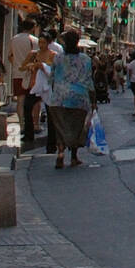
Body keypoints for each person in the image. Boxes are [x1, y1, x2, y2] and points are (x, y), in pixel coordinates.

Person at [48, 30, 96, 169]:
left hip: (59, 98)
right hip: (78, 99)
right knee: (76, 128)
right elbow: (89, 81)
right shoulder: (85, 59)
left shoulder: (57, 58)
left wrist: (56, 93)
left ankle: (60, 153)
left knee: (60, 127)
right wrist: (93, 100)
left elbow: (51, 78)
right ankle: (74, 157)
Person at [9, 15, 40, 140]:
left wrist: (17, 65)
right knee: (32, 101)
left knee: (20, 101)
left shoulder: (13, 39)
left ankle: (21, 124)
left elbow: (9, 56)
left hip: (17, 73)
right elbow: (36, 57)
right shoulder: (34, 40)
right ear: (33, 28)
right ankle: (32, 124)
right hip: (30, 74)